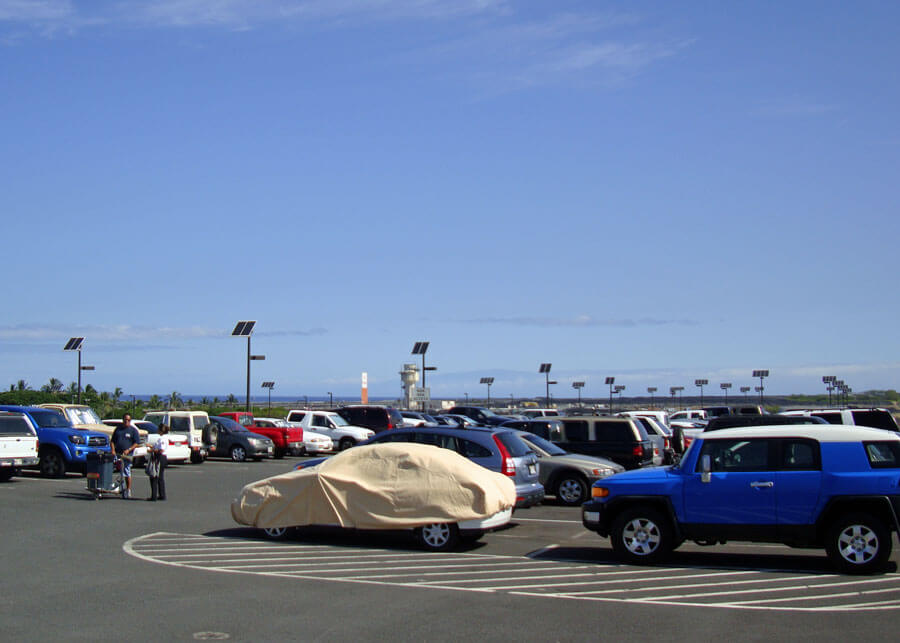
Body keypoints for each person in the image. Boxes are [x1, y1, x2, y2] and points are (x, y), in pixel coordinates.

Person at [111, 413, 141, 499]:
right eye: (125, 420)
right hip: (118, 454)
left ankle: (128, 489)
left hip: (127, 455)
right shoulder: (118, 429)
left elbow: (136, 443)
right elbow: (112, 441)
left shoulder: (133, 430)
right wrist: (113, 450)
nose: (126, 422)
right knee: (120, 472)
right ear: (123, 420)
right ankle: (121, 488)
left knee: (127, 471)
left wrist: (129, 449)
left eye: (128, 420)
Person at [147, 423, 169, 501]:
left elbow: (161, 449)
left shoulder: (162, 438)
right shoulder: (162, 438)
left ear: (161, 430)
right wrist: (151, 446)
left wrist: (151, 450)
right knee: (160, 477)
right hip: (162, 457)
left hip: (160, 457)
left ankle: (154, 496)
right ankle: (162, 495)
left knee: (154, 476)